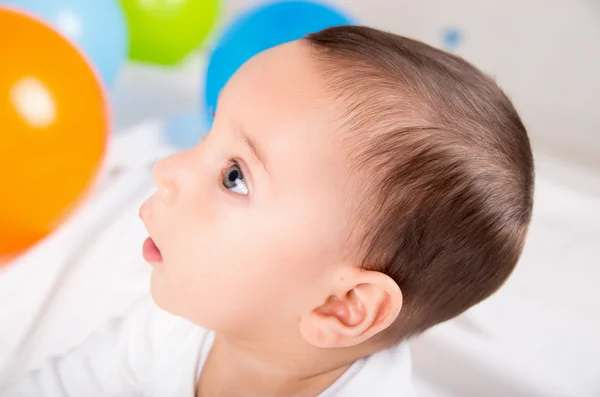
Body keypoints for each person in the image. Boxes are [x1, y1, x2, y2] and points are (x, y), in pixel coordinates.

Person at [2, 25, 534, 397]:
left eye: (235, 176)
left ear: (342, 306)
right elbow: (61, 386)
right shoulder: (172, 328)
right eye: (208, 133)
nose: (165, 168)